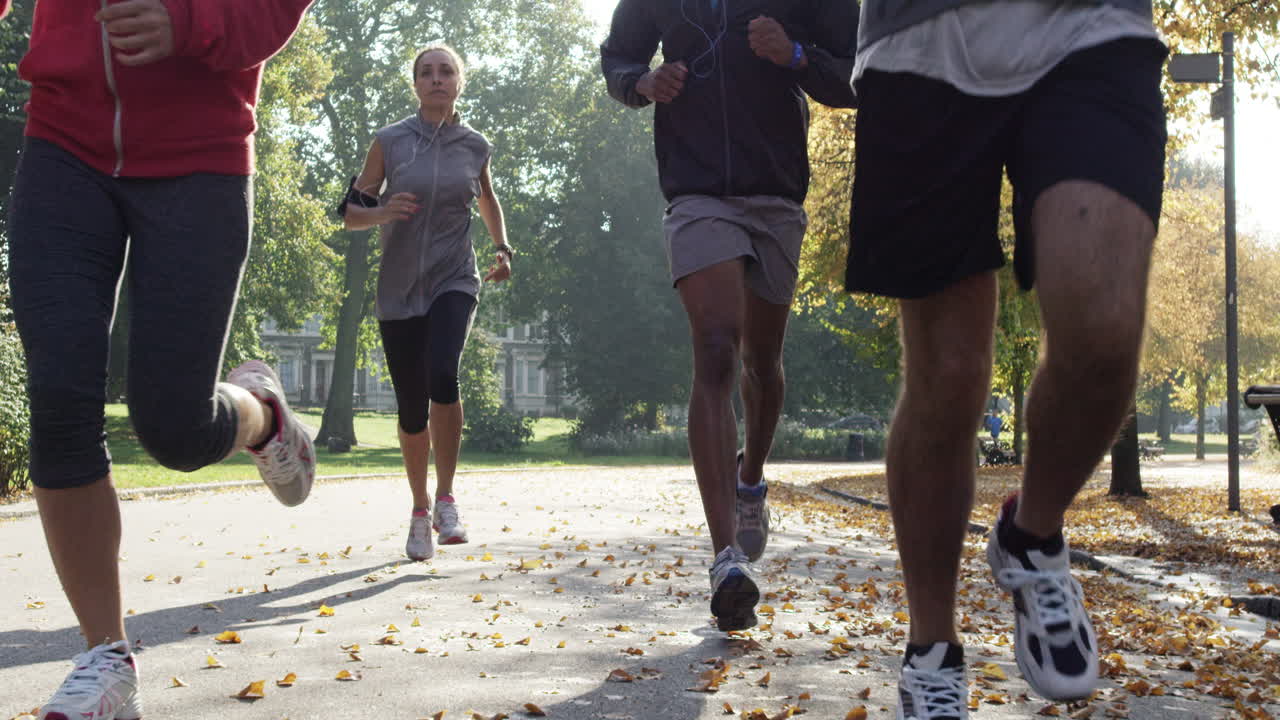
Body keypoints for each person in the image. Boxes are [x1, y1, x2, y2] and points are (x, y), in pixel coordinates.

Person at [845, 2, 1167, 717]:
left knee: (1105, 333)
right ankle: (933, 647)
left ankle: (1032, 534)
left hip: (1092, 26)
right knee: (949, 377)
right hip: (916, 41)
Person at [6, 1, 317, 718]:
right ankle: (106, 660)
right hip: (62, 142)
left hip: (198, 157)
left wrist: (187, 21)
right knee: (60, 401)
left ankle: (262, 417)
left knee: (174, 430)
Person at [601, 0, 858, 632]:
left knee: (762, 366)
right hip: (696, 195)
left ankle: (751, 479)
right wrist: (642, 82)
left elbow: (856, 75)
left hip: (775, 194)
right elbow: (619, 55)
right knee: (716, 348)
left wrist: (795, 55)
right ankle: (726, 561)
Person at [340, 45, 512, 562]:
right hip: (398, 289)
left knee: (443, 372)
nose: (436, 79)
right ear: (415, 84)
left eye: (446, 72)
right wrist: (383, 212)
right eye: (426, 73)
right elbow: (350, 213)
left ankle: (447, 500)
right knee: (412, 405)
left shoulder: (475, 145)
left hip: (454, 277)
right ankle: (419, 510)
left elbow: (485, 196)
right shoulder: (390, 143)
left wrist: (502, 247)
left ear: (460, 82)